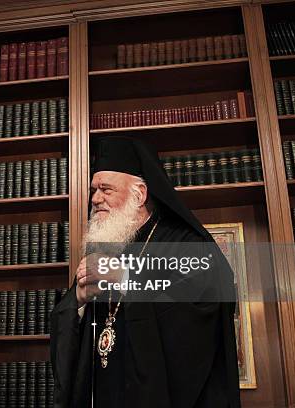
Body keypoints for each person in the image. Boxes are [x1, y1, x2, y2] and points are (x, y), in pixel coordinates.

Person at [50, 136, 240, 408]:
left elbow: (202, 311)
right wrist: (78, 300)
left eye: (106, 189)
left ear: (139, 194)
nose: (95, 199)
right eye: (94, 190)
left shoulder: (187, 245)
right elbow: (67, 327)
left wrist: (125, 277)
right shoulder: (106, 248)